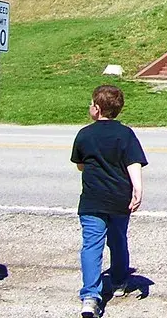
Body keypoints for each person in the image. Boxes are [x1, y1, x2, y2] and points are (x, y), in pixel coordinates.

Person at [71, 85, 147, 318]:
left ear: (96, 108)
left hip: (93, 200)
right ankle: (119, 279)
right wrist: (138, 188)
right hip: (119, 199)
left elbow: (80, 164)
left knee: (91, 245)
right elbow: (133, 162)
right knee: (118, 240)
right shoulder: (126, 134)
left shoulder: (84, 134)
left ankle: (90, 296)